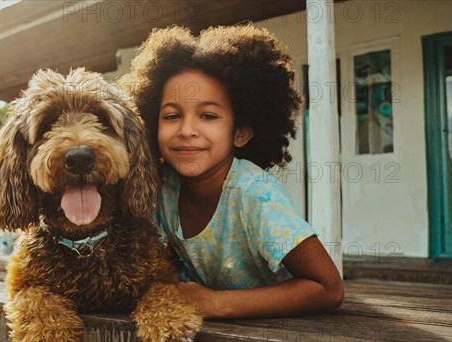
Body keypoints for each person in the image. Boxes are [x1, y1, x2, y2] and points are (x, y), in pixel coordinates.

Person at [119, 24, 344, 319]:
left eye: (208, 116)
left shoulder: (254, 195)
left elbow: (329, 288)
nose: (187, 130)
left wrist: (216, 303)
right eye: (172, 116)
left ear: (241, 132)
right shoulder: (162, 187)